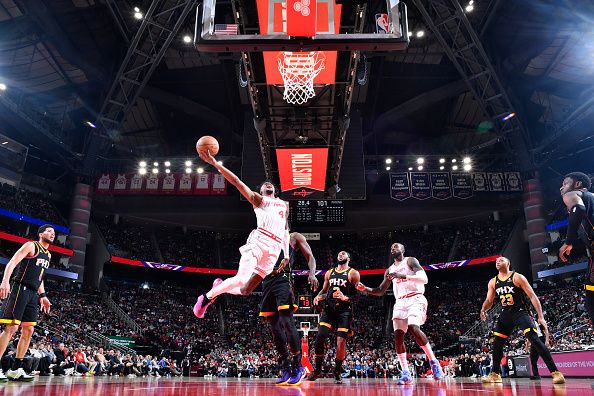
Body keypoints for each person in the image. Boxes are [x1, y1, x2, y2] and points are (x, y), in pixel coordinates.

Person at [193, 148, 289, 318]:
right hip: (259, 242)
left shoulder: (284, 205)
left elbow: (285, 229)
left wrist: (286, 254)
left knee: (245, 290)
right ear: (260, 191)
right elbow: (236, 181)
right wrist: (216, 164)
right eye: (264, 185)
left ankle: (219, 288)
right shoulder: (259, 201)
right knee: (240, 279)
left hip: (274, 251)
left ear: (275, 190)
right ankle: (206, 298)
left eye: (270, 184)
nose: (268, 184)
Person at [356, 243, 444, 385]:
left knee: (414, 328)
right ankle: (405, 372)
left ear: (403, 250)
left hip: (415, 297)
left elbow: (424, 278)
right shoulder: (389, 270)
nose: (393, 249)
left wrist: (401, 275)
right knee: (397, 336)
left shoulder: (410, 261)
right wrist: (365, 288)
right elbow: (380, 290)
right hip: (400, 302)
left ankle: (434, 362)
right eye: (391, 248)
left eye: (396, 247)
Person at [479, 256, 564, 384]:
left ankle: (555, 373)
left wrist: (541, 316)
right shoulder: (492, 281)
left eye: (501, 260)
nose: (498, 262)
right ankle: (495, 374)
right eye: (496, 261)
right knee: (497, 344)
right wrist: (483, 309)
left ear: (508, 263)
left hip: (520, 312)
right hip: (505, 314)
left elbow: (532, 296)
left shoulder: (517, 277)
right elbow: (489, 301)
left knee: (534, 339)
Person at [259, 231, 319, 386]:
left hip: (283, 279)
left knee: (286, 322)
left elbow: (310, 257)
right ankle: (285, 367)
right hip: (266, 281)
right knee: (274, 328)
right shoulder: (265, 236)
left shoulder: (293, 237)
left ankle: (297, 367)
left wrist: (312, 274)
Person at [0, 225, 53, 381]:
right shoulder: (31, 245)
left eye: (54, 233)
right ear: (40, 233)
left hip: (32, 293)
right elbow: (13, 262)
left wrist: (43, 295)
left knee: (29, 330)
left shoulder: (48, 255)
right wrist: (5, 281)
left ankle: (15, 369)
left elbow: (40, 277)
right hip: (19, 288)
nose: (52, 234)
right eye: (49, 231)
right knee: (11, 327)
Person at [307, 251, 360, 384]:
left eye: (344, 254)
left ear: (348, 258)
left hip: (344, 312)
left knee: (340, 342)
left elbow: (358, 295)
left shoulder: (353, 273)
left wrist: (345, 297)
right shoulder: (329, 273)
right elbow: (325, 292)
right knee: (320, 336)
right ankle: (318, 369)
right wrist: (319, 296)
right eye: (340, 253)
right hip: (329, 310)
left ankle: (337, 370)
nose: (341, 254)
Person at [558, 172, 594, 323]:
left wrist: (568, 241)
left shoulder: (573, 194)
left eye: (565, 183)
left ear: (577, 184)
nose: (562, 188)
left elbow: (578, 208)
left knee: (591, 301)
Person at [525, 316, 548, 380]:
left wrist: (547, 340)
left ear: (532, 317)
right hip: (533, 340)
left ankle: (554, 372)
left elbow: (546, 331)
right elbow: (529, 336)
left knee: (545, 356)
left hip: (540, 339)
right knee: (533, 358)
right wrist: (527, 346)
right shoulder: (528, 325)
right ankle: (536, 375)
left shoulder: (538, 321)